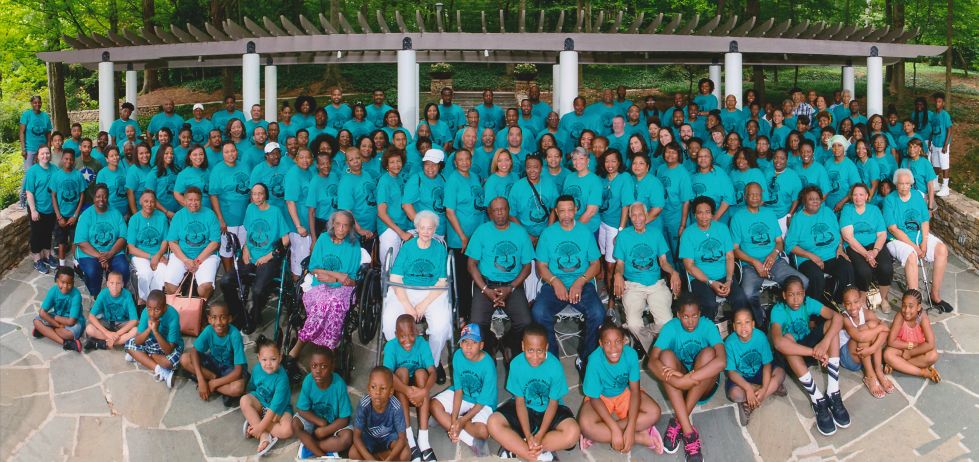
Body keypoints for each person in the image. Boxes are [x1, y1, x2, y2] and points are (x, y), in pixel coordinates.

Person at [532, 195, 604, 375]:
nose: (566, 215)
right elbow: (541, 266)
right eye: (562, 211)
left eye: (569, 210)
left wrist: (580, 281)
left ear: (575, 210)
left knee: (598, 313)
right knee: (538, 312)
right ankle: (552, 360)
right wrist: (555, 281)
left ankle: (585, 358)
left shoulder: (585, 232)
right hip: (553, 284)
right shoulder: (548, 234)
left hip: (582, 284)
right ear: (556, 212)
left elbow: (596, 264)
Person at [769, 276, 850, 436]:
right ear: (784, 295)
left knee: (832, 325)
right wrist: (814, 352)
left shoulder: (808, 302)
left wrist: (824, 343)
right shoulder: (778, 310)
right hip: (792, 360)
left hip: (809, 347)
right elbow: (778, 343)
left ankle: (833, 392)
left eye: (799, 294)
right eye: (791, 294)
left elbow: (838, 317)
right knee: (787, 339)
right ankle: (817, 400)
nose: (796, 299)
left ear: (804, 293)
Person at [647, 294, 725, 460]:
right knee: (665, 356)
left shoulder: (708, 326)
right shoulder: (671, 327)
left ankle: (678, 421)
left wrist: (689, 378)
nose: (690, 322)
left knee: (709, 354)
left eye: (694, 316)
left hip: (704, 385)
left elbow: (722, 361)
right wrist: (678, 381)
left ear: (700, 314)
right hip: (680, 387)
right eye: (685, 317)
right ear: (678, 315)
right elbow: (652, 362)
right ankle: (689, 432)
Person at [487, 325, 580, 460]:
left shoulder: (555, 366)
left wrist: (540, 434)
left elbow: (553, 404)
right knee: (493, 422)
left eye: (540, 351)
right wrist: (528, 435)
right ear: (523, 346)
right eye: (530, 350)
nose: (535, 356)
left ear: (546, 348)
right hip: (524, 408)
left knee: (573, 433)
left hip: (549, 409)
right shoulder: (516, 364)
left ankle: (518, 448)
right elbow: (520, 402)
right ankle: (537, 455)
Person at [381, 210, 452, 383]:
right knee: (389, 323)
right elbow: (395, 279)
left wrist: (423, 305)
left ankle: (433, 363)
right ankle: (402, 361)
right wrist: (407, 306)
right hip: (404, 290)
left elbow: (442, 282)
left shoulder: (439, 250)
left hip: (432, 292)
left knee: (441, 327)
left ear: (435, 229)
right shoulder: (407, 247)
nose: (426, 232)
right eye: (423, 228)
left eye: (430, 228)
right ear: (417, 229)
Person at [578, 322, 664, 454]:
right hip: (601, 397)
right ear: (601, 344)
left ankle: (602, 434)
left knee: (654, 412)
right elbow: (594, 398)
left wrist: (631, 426)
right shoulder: (594, 360)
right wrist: (614, 428)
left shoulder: (631, 355)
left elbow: (635, 391)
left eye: (618, 342)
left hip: (625, 393)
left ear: (624, 341)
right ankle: (639, 437)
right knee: (586, 425)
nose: (613, 348)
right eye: (607, 343)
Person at [466, 197, 535, 359]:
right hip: (486, 285)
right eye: (496, 210)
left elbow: (527, 266)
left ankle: (509, 342)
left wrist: (511, 288)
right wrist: (486, 290)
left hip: (512, 285)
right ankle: (490, 343)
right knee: (477, 323)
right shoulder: (482, 231)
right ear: (490, 213)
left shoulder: (520, 232)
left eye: (503, 209)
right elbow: (471, 265)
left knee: (525, 322)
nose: (500, 213)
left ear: (508, 210)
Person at [731, 182, 807, 325]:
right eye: (751, 194)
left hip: (774, 262)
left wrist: (774, 254)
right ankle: (760, 322)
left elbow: (779, 242)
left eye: (758, 194)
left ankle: (785, 316)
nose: (755, 197)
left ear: (762, 196)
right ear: (745, 196)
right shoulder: (738, 218)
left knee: (803, 282)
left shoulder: (769, 214)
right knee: (748, 294)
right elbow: (734, 250)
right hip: (750, 265)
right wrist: (754, 262)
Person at [288, 210, 360, 360]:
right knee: (323, 303)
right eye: (338, 224)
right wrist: (337, 275)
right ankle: (323, 346)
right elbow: (313, 268)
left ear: (350, 227)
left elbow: (352, 280)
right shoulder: (323, 239)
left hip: (343, 288)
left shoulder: (354, 245)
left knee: (334, 303)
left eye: (345, 225)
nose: (341, 229)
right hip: (318, 284)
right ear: (332, 224)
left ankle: (317, 345)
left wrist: (334, 280)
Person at [221, 183, 290, 334]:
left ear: (266, 195)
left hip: (268, 257)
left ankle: (254, 317)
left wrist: (268, 256)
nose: (257, 197)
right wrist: (245, 249)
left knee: (258, 291)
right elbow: (249, 233)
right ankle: (239, 314)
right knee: (226, 281)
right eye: (254, 194)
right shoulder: (250, 208)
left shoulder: (275, 212)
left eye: (260, 194)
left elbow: (286, 240)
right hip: (250, 255)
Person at [883, 168, 954, 313]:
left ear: (911, 184)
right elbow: (893, 229)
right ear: (896, 184)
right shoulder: (889, 200)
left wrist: (924, 242)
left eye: (907, 183)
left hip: (919, 236)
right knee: (911, 255)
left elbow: (924, 221)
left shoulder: (917, 196)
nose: (904, 187)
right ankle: (914, 302)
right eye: (901, 183)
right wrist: (914, 247)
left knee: (941, 249)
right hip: (897, 239)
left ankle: (935, 295)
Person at [613, 202, 681, 352]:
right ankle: (654, 350)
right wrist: (618, 274)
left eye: (640, 215)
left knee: (666, 322)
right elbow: (620, 264)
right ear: (629, 217)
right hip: (633, 285)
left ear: (646, 216)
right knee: (633, 324)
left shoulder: (656, 234)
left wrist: (674, 272)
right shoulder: (623, 236)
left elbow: (663, 262)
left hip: (655, 284)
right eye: (634, 215)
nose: (637, 219)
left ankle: (645, 339)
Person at [429, 324, 496, 457]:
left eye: (474, 342)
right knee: (434, 406)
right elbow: (458, 390)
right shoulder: (458, 356)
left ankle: (446, 420)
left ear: (481, 345)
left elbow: (482, 401)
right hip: (463, 395)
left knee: (482, 432)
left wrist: (461, 421)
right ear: (460, 344)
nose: (468, 346)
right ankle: (471, 441)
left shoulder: (488, 365)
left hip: (482, 403)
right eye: (465, 342)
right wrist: (454, 420)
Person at [680, 196, 749, 322]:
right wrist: (710, 282)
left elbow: (730, 256)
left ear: (712, 214)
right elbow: (689, 266)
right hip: (700, 279)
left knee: (740, 299)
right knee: (709, 304)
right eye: (700, 212)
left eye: (707, 212)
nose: (704, 216)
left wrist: (729, 280)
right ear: (694, 215)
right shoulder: (688, 234)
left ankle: (738, 328)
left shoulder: (722, 229)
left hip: (724, 276)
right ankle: (708, 330)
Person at [785, 186, 855, 305]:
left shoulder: (827, 212)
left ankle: (837, 301)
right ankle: (815, 307)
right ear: (804, 201)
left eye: (817, 199)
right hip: (807, 259)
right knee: (816, 277)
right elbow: (790, 245)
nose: (815, 201)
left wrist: (840, 247)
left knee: (846, 267)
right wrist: (811, 256)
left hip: (831, 254)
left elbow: (838, 233)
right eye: (811, 199)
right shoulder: (798, 219)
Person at [383, 314, 438, 462]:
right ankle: (409, 437)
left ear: (417, 332)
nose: (407, 340)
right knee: (401, 372)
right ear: (396, 334)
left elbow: (433, 372)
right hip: (400, 390)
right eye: (402, 336)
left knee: (421, 373)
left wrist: (424, 391)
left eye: (411, 335)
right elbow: (387, 374)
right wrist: (408, 391)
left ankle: (423, 440)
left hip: (418, 391)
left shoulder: (422, 343)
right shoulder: (391, 346)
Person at [724, 307, 787, 426]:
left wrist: (764, 389)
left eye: (747, 322)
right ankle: (769, 389)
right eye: (739, 323)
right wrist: (748, 388)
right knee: (734, 394)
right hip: (741, 377)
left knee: (780, 373)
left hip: (760, 371)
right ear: (734, 326)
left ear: (753, 324)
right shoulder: (729, 343)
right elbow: (731, 372)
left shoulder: (761, 337)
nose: (743, 327)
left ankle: (751, 403)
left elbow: (767, 364)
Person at [179, 303, 248, 406]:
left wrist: (214, 383)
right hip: (214, 363)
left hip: (231, 368)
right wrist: (200, 379)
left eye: (223, 317)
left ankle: (211, 383)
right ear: (209, 319)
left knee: (237, 388)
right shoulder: (209, 330)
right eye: (214, 318)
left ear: (229, 319)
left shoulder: (235, 335)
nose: (218, 322)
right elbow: (194, 351)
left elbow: (238, 372)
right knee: (184, 359)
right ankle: (212, 378)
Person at [840, 183, 894, 312]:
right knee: (864, 271)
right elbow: (848, 237)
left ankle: (883, 298)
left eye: (861, 194)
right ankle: (862, 301)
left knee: (886, 267)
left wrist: (875, 251)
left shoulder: (874, 210)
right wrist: (867, 255)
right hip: (855, 246)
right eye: (855, 195)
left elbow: (882, 234)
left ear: (867, 196)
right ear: (851, 197)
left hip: (874, 244)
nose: (858, 197)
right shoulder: (847, 210)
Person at [293, 346, 354, 459]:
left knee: (347, 439)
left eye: (324, 366)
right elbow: (302, 410)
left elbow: (344, 419)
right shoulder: (308, 381)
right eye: (314, 366)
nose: (318, 371)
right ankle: (322, 455)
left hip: (335, 422)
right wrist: (320, 422)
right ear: (310, 366)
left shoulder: (339, 384)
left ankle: (311, 446)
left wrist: (325, 431)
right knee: (295, 424)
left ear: (332, 366)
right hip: (314, 419)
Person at [444, 149, 484, 320]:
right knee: (462, 279)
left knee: (475, 276)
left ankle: (474, 313)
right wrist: (462, 236)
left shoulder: (474, 177)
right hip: (460, 238)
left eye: (467, 159)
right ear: (455, 162)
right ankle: (461, 316)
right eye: (460, 159)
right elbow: (449, 211)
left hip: (477, 235)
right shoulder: (453, 181)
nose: (464, 162)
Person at [163, 187, 221, 299]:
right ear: (185, 200)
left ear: (201, 200)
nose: (193, 203)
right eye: (190, 200)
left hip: (206, 255)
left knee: (205, 288)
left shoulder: (210, 215)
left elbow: (214, 243)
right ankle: (180, 306)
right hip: (182, 255)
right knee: (169, 286)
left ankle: (201, 306)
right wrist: (185, 260)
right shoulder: (178, 216)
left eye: (196, 200)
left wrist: (198, 261)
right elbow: (172, 242)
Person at [241, 336, 295, 456]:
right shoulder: (257, 369)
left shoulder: (282, 379)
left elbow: (274, 409)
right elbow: (251, 388)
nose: (268, 364)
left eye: (273, 359)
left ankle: (255, 423)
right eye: (264, 359)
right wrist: (250, 405)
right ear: (258, 358)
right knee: (244, 400)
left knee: (288, 430)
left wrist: (259, 426)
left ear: (280, 357)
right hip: (261, 402)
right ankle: (264, 435)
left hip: (279, 409)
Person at [73, 183, 129, 295]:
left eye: (104, 196)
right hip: (90, 253)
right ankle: (96, 294)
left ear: (108, 197)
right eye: (98, 196)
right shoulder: (86, 215)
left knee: (123, 268)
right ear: (93, 197)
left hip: (113, 251)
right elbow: (81, 241)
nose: (101, 199)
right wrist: (101, 257)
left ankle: (114, 293)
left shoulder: (116, 214)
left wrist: (110, 254)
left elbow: (123, 237)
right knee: (92, 271)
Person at [838, 287, 893, 399]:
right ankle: (870, 376)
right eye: (848, 304)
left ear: (861, 301)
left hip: (865, 353)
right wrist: (879, 328)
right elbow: (860, 337)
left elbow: (886, 329)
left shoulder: (866, 313)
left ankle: (878, 371)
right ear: (844, 305)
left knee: (873, 325)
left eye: (856, 302)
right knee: (866, 329)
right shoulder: (844, 318)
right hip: (848, 358)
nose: (853, 307)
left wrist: (873, 348)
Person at [124, 290, 182, 388]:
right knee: (129, 344)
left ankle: (142, 357)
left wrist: (155, 332)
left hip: (169, 345)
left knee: (169, 363)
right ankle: (160, 370)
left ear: (164, 307)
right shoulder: (145, 312)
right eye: (149, 308)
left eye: (157, 310)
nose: (152, 314)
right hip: (151, 342)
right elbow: (137, 341)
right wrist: (149, 329)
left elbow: (168, 350)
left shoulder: (173, 315)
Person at [350, 367, 410, 461]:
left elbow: (402, 438)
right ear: (368, 389)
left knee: (405, 454)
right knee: (353, 453)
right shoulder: (364, 404)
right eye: (373, 387)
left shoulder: (396, 406)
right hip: (368, 439)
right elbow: (356, 436)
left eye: (383, 388)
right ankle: (377, 457)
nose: (377, 392)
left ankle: (383, 456)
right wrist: (370, 459)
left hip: (389, 439)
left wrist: (390, 459)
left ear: (391, 391)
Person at [209, 141, 252, 273]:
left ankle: (241, 275)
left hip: (245, 217)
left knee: (244, 247)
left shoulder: (244, 166)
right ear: (222, 154)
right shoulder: (217, 170)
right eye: (226, 152)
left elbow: (252, 190)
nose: (230, 154)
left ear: (237, 151)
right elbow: (213, 195)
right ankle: (229, 275)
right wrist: (220, 219)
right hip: (228, 217)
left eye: (233, 151)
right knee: (227, 249)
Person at [883, 289, 942, 382]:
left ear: (918, 307)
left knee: (933, 356)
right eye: (904, 306)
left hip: (918, 349)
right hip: (901, 348)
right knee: (888, 354)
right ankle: (922, 372)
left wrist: (911, 353)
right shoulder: (900, 316)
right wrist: (909, 346)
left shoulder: (922, 317)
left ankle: (897, 365)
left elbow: (930, 343)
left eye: (911, 306)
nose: (906, 310)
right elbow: (891, 341)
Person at [33, 266, 84, 352]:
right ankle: (65, 343)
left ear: (73, 283)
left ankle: (46, 331)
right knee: (36, 321)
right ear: (57, 280)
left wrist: (56, 318)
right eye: (62, 282)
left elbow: (71, 322)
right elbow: (42, 312)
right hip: (57, 320)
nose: (65, 286)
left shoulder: (76, 295)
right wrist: (58, 325)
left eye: (69, 283)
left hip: (74, 321)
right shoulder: (53, 290)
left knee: (69, 334)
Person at [83, 271, 138, 351]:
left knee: (136, 330)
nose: (114, 286)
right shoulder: (103, 293)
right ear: (107, 284)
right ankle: (117, 341)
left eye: (118, 283)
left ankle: (104, 343)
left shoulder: (127, 295)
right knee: (89, 329)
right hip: (107, 322)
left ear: (122, 284)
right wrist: (106, 332)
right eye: (112, 283)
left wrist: (117, 334)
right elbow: (91, 316)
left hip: (122, 323)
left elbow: (134, 320)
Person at [49, 150, 86, 267]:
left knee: (75, 240)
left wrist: (75, 215)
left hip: (74, 215)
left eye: (71, 159)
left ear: (74, 161)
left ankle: (76, 263)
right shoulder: (56, 176)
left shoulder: (78, 175)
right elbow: (53, 196)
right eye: (66, 158)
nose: (68, 161)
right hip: (61, 215)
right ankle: (62, 265)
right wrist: (59, 217)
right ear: (62, 159)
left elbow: (82, 195)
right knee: (61, 242)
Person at [19, 96, 53, 207]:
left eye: (39, 102)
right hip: (30, 149)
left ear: (41, 103)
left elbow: (48, 134)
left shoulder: (45, 116)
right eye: (35, 102)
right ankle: (23, 196)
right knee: (29, 173)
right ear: (31, 103)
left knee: (41, 172)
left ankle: (38, 195)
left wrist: (48, 148)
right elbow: (21, 132)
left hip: (42, 149)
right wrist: (23, 149)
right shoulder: (26, 115)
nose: (37, 104)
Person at [928, 92, 953, 197]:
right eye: (936, 102)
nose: (937, 104)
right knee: (935, 164)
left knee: (944, 164)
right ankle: (936, 184)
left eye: (939, 102)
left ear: (943, 103)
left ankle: (945, 187)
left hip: (943, 144)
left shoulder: (945, 115)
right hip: (935, 143)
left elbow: (950, 130)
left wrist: (945, 145)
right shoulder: (934, 115)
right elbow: (932, 130)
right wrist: (930, 141)